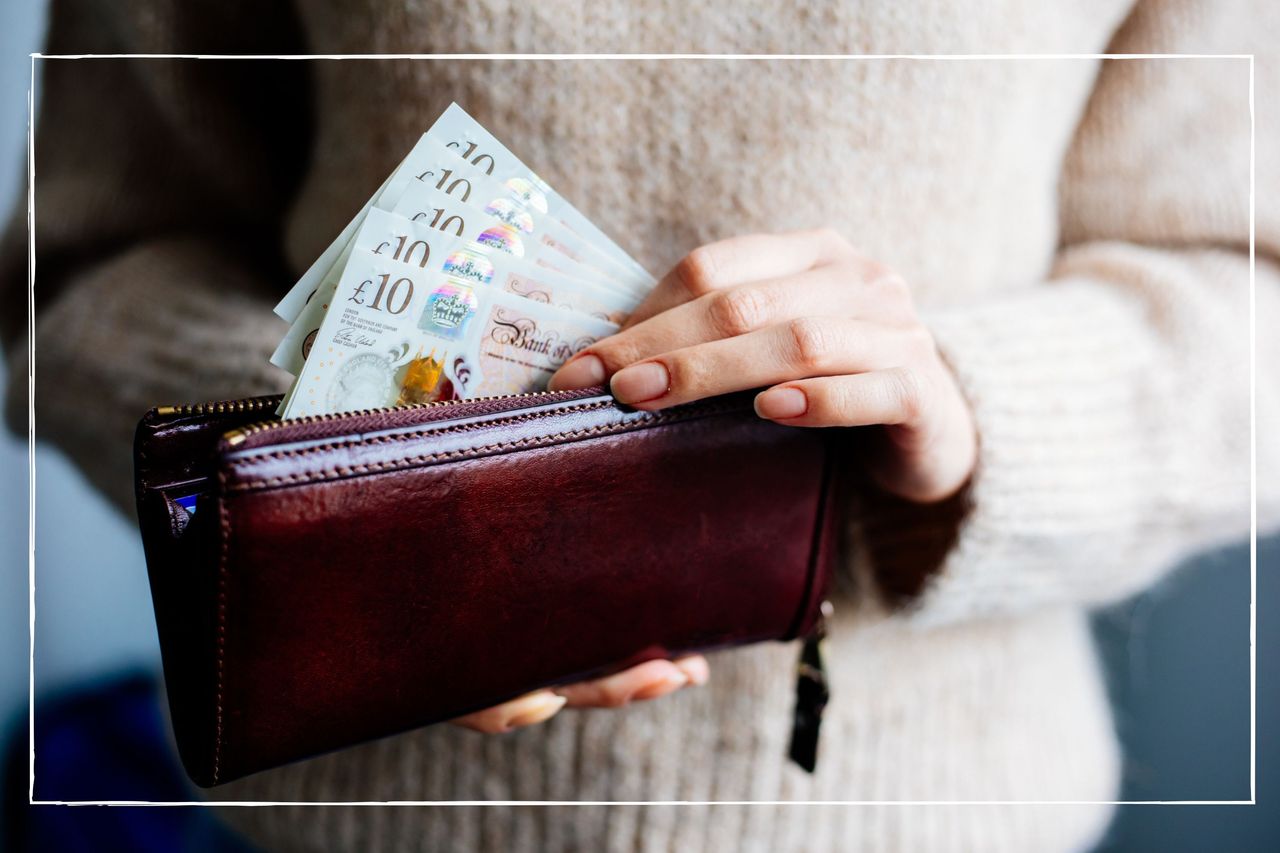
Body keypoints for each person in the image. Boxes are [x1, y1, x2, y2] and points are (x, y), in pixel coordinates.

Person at [4, 0, 1277, 850]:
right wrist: (374, 486)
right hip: (350, 813)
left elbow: (1249, 296)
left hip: (935, 803)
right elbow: (78, 264)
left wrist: (981, 404)